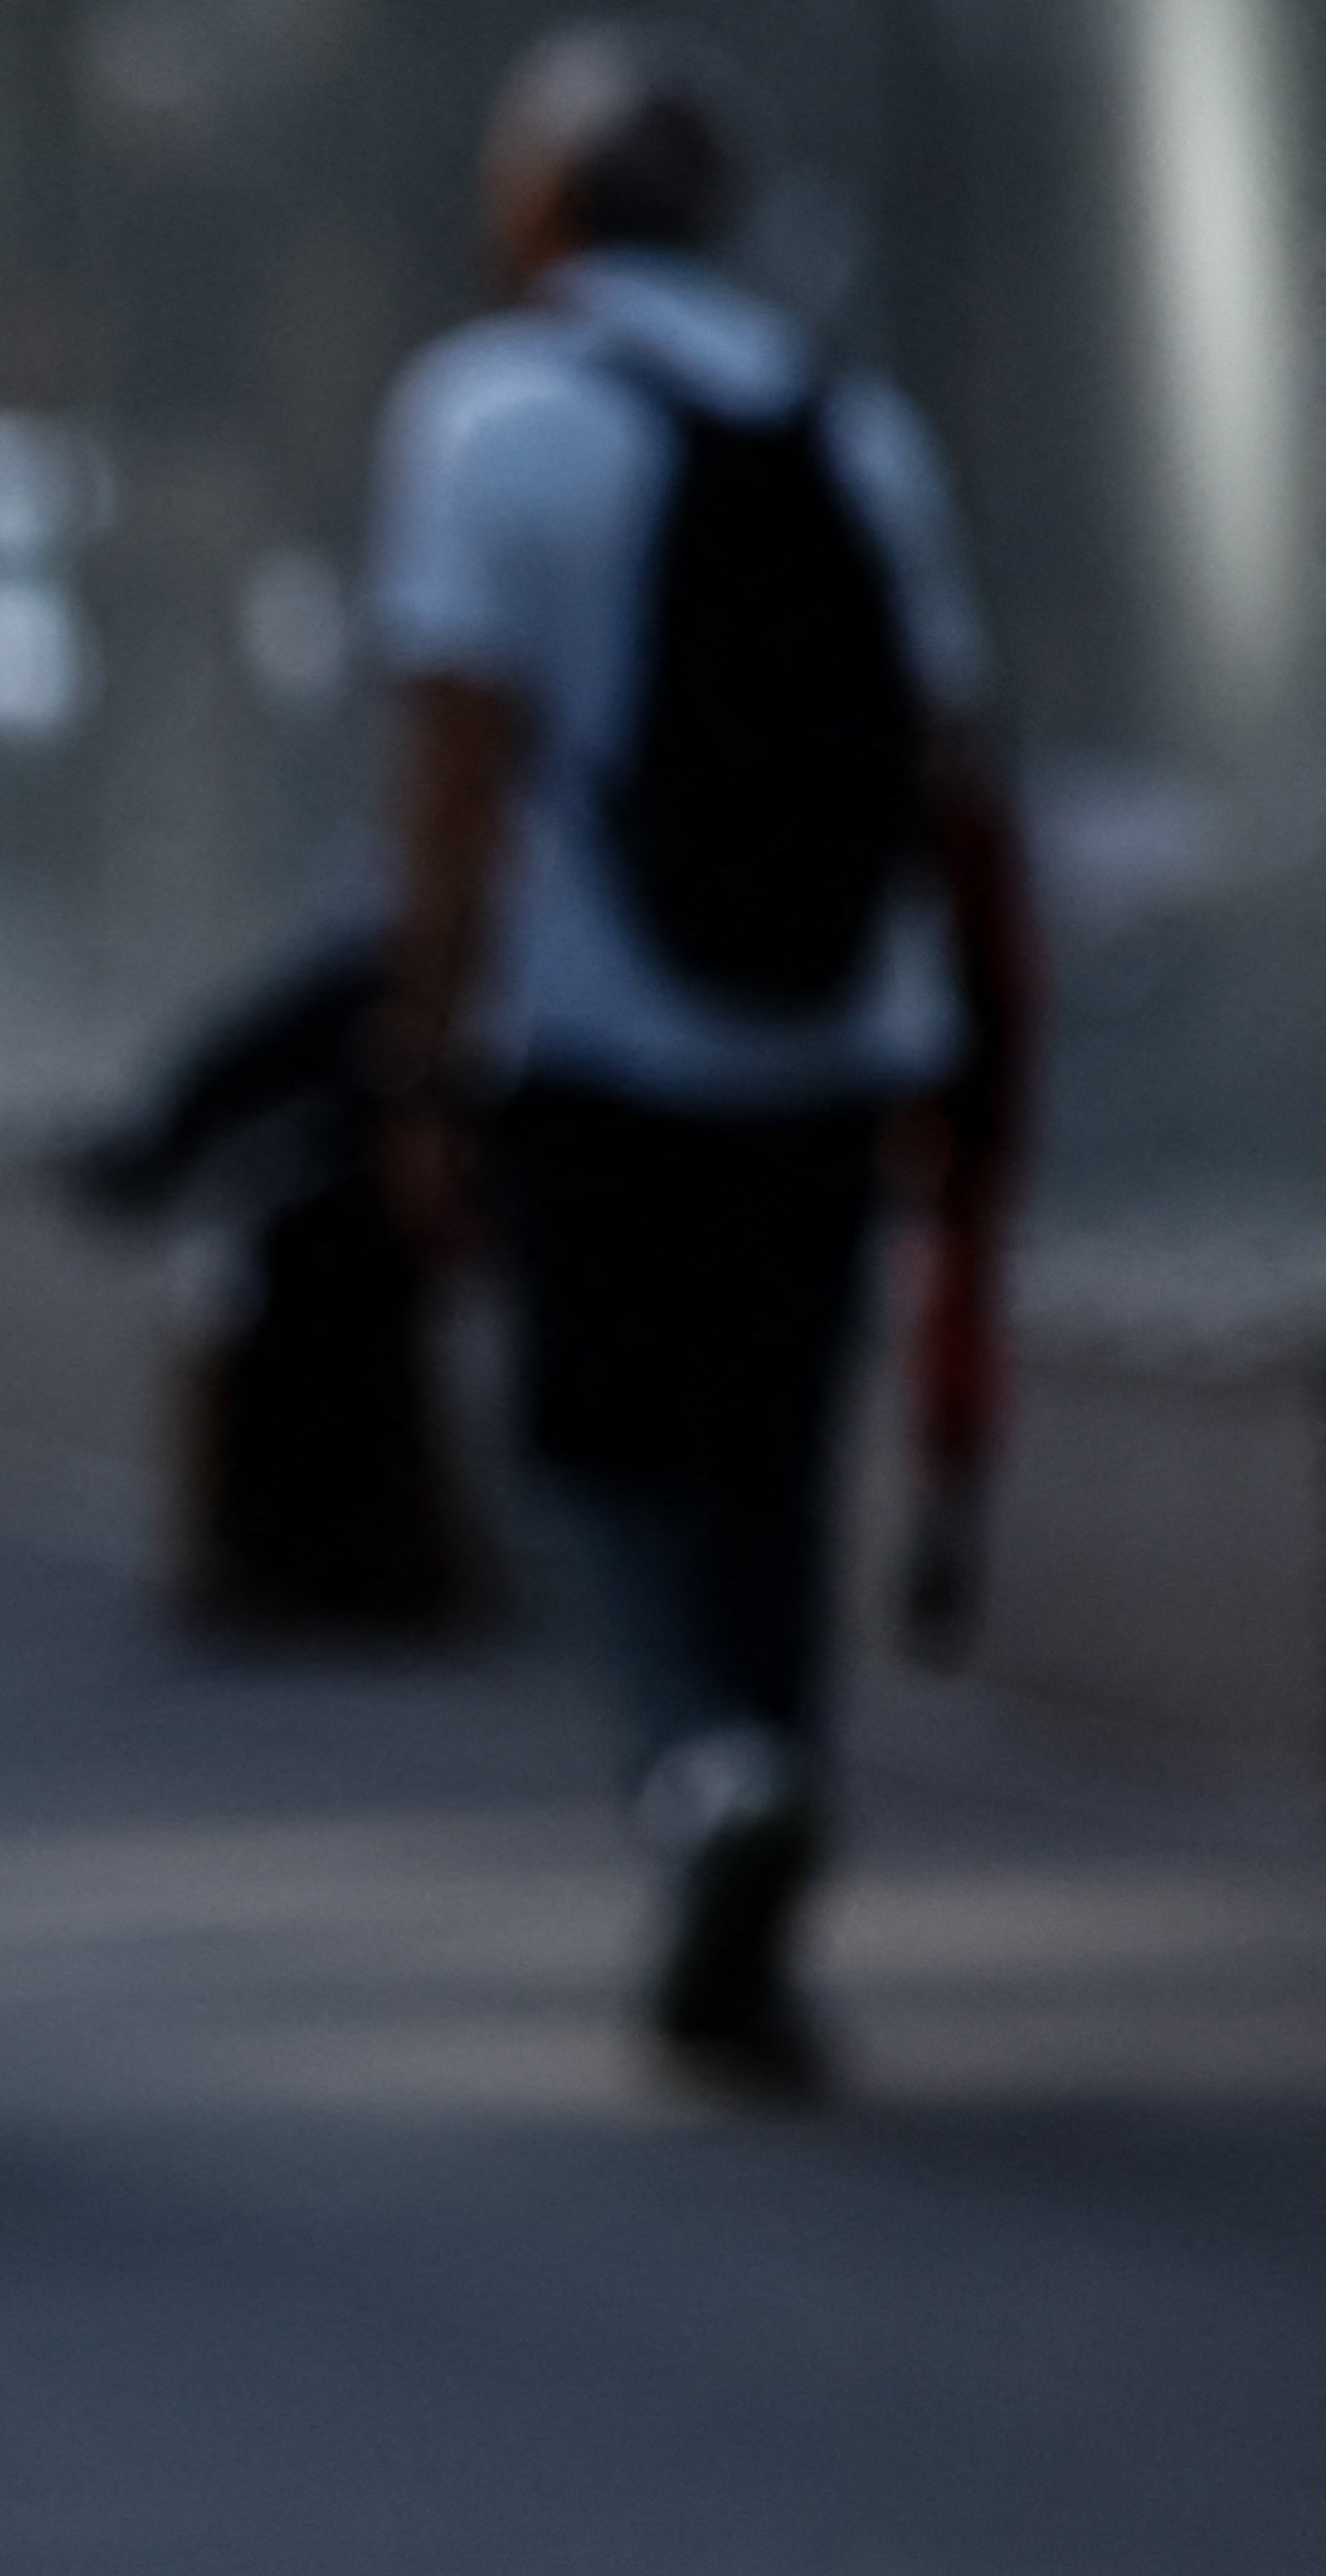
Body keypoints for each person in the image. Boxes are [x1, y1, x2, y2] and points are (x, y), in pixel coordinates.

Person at [366, 28, 1038, 2093]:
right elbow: (942, 754)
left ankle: (702, 1767)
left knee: (593, 1447)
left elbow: (457, 760)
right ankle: (757, 1868)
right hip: (829, 1036)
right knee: (767, 1448)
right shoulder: (853, 427)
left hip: (592, 1038)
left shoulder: (488, 412)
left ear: (543, 213)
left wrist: (419, 1050)